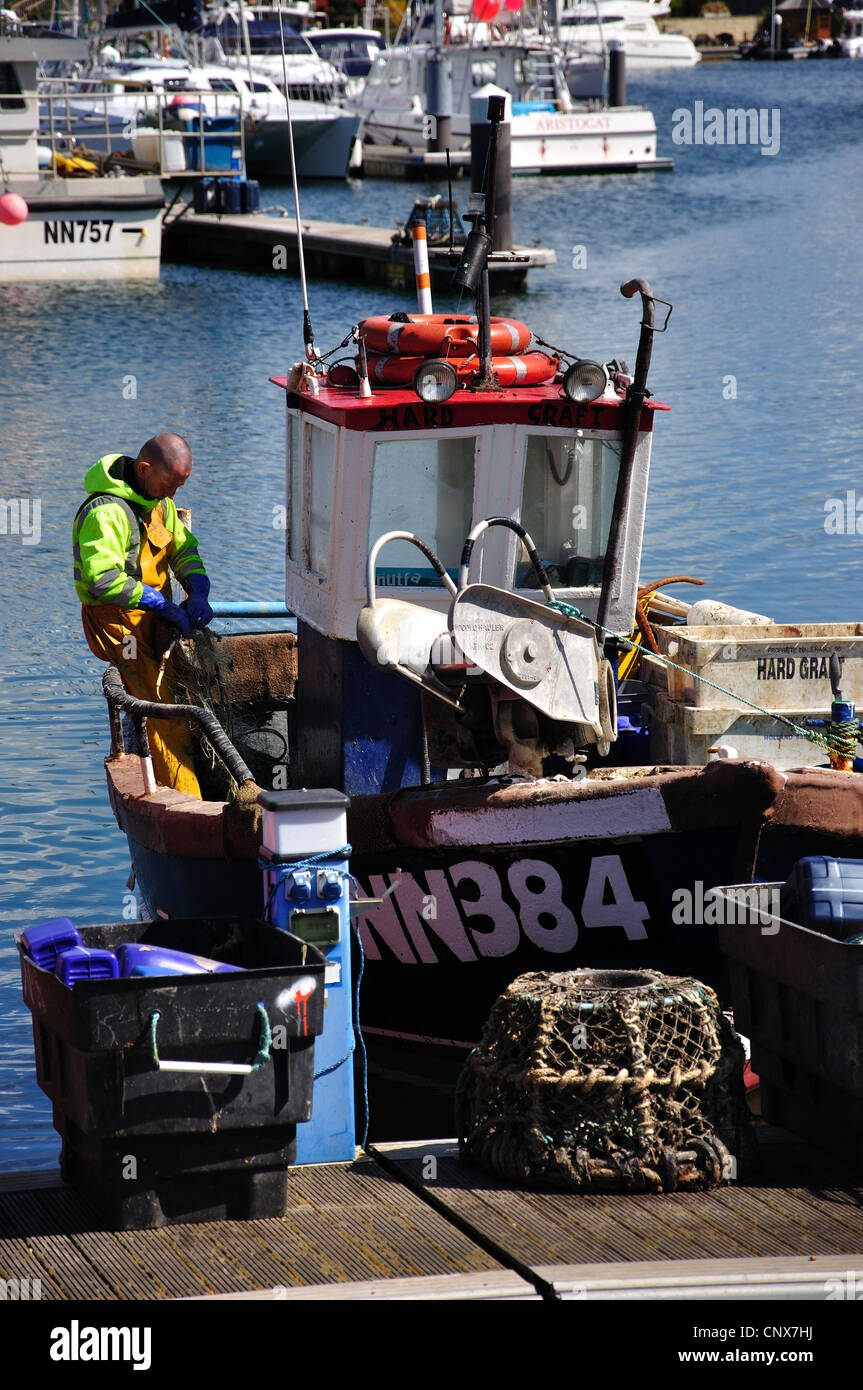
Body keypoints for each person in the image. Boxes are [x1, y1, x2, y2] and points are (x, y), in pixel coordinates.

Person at [73, 434, 213, 798]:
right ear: (144, 468)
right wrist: (159, 602)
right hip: (118, 622)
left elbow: (182, 549)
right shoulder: (106, 512)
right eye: (169, 485)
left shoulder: (161, 503)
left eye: (179, 487)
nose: (172, 497)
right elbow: (101, 580)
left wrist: (198, 589)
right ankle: (182, 796)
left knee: (176, 693)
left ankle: (175, 777)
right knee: (156, 704)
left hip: (154, 616)